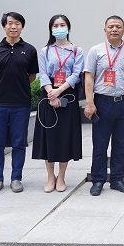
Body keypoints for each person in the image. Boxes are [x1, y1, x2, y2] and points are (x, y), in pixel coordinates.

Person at [83, 15, 124, 196]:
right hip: (102, 102)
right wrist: (89, 102)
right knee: (100, 144)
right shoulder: (96, 51)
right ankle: (98, 180)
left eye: (118, 26)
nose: (114, 29)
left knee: (120, 144)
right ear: (105, 30)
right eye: (111, 26)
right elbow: (89, 77)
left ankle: (117, 179)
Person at [0, 11, 39, 194]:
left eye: (17, 23)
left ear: (22, 27)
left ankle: (16, 178)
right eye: (9, 23)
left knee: (19, 143)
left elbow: (32, 76)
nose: (13, 26)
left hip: (21, 104)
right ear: (4, 26)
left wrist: (17, 87)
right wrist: (3, 89)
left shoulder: (29, 50)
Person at [32, 14, 85, 193]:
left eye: (62, 25)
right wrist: (51, 93)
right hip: (48, 94)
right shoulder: (45, 51)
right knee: (49, 136)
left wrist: (59, 91)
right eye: (56, 25)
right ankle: (50, 177)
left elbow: (76, 74)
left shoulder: (76, 50)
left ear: (68, 28)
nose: (59, 28)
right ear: (51, 29)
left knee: (64, 136)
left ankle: (61, 176)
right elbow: (43, 74)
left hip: (67, 95)